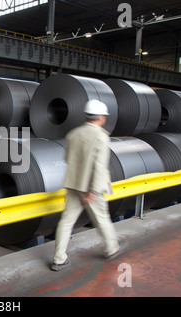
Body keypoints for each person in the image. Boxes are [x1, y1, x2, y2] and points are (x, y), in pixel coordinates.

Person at [51, 99, 120, 271]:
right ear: (100, 117)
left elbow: (68, 159)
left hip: (73, 185)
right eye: (104, 115)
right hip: (90, 188)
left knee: (66, 221)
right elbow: (99, 166)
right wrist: (94, 191)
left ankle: (59, 259)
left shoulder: (73, 134)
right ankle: (112, 248)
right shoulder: (101, 137)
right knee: (101, 218)